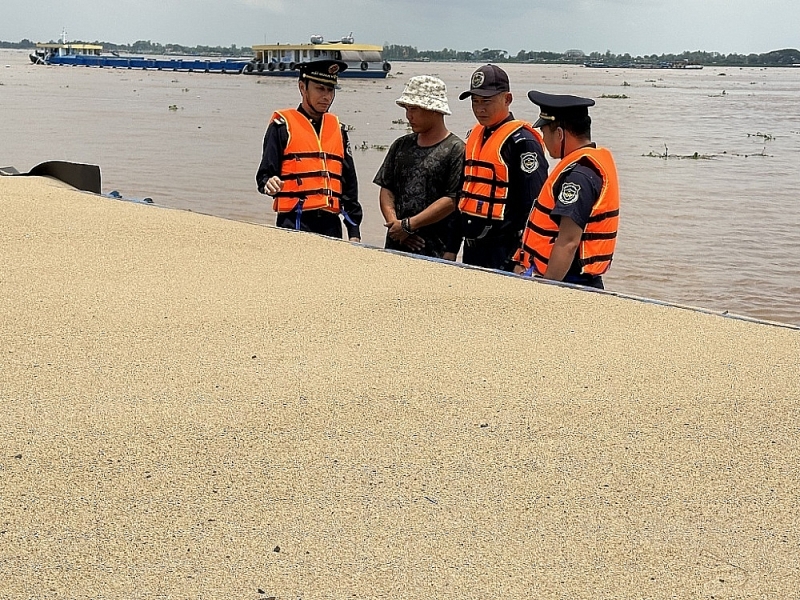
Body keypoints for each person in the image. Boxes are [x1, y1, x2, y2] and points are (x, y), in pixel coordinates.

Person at [446, 64, 549, 270]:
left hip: (505, 250)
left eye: (486, 101)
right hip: (472, 248)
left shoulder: (522, 142)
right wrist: (451, 247)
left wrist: (522, 256)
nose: (480, 109)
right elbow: (463, 194)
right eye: (475, 102)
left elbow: (535, 205)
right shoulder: (475, 137)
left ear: (507, 99)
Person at [513, 91, 620, 289]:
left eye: (545, 132)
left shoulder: (578, 176)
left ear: (560, 134)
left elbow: (569, 241)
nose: (543, 140)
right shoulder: (586, 167)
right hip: (571, 278)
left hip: (572, 282)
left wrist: (548, 288)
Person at [255, 59, 363, 241]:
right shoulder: (281, 126)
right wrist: (269, 183)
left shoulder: (339, 130)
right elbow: (264, 175)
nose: (326, 96)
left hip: (331, 224)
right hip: (294, 221)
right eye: (320, 89)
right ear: (302, 87)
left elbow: (349, 186)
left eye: (330, 90)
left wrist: (354, 232)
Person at [374, 76, 465, 258]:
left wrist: (409, 225)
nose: (409, 116)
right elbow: (387, 187)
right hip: (395, 243)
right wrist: (395, 225)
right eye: (407, 109)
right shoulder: (401, 145)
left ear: (434, 110)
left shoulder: (456, 150)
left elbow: (452, 200)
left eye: (414, 109)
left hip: (434, 247)